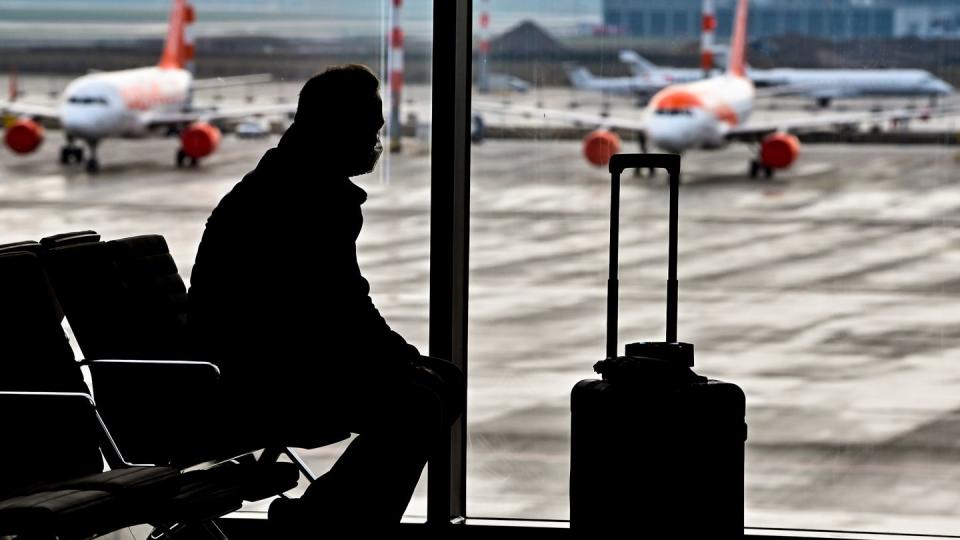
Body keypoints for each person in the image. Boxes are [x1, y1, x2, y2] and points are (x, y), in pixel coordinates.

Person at [187, 64, 464, 530]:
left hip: (270, 356)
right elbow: (339, 310)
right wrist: (401, 360)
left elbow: (332, 311)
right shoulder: (307, 198)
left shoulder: (286, 182)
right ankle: (327, 525)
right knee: (420, 402)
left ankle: (325, 518)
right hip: (258, 373)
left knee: (438, 384)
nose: (375, 142)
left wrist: (399, 359)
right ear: (337, 129)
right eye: (367, 130)